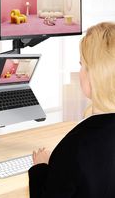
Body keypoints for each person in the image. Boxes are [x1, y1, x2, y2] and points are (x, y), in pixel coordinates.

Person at [28, 22, 115, 198]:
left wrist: (40, 167)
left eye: (82, 64)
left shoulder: (77, 145)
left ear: (97, 73)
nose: (80, 72)